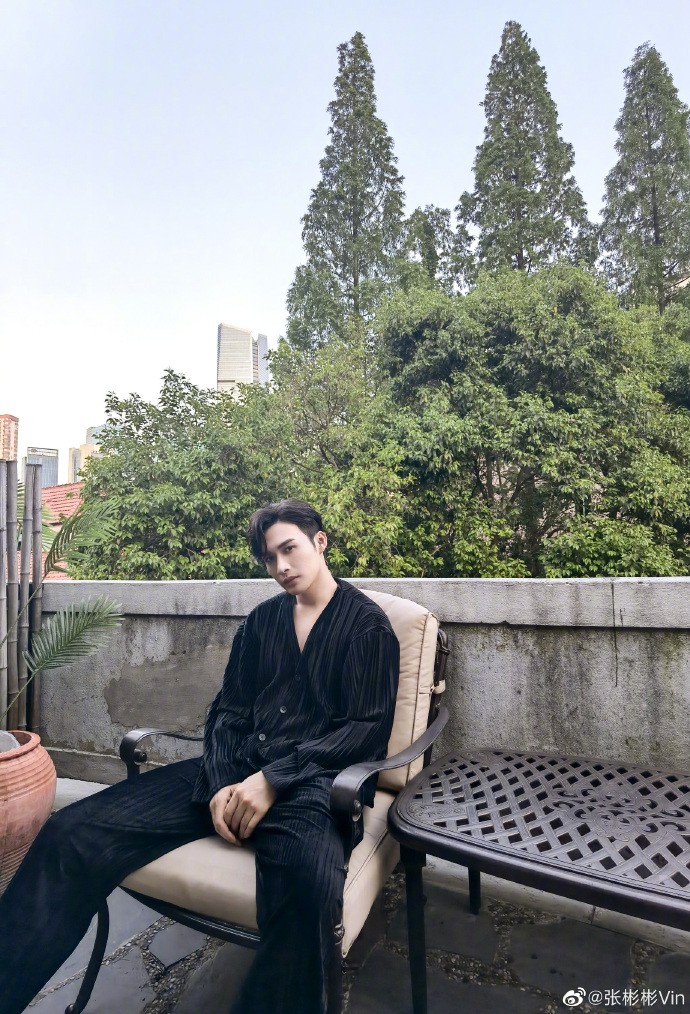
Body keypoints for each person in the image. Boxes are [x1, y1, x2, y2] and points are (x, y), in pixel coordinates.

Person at [0, 499, 400, 1014]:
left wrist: (273, 780)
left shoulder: (367, 627)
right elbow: (229, 711)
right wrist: (223, 783)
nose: (281, 566)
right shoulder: (262, 622)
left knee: (307, 891)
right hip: (235, 768)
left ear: (319, 541)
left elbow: (365, 731)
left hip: (314, 787)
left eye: (289, 549)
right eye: (270, 558)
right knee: (71, 832)